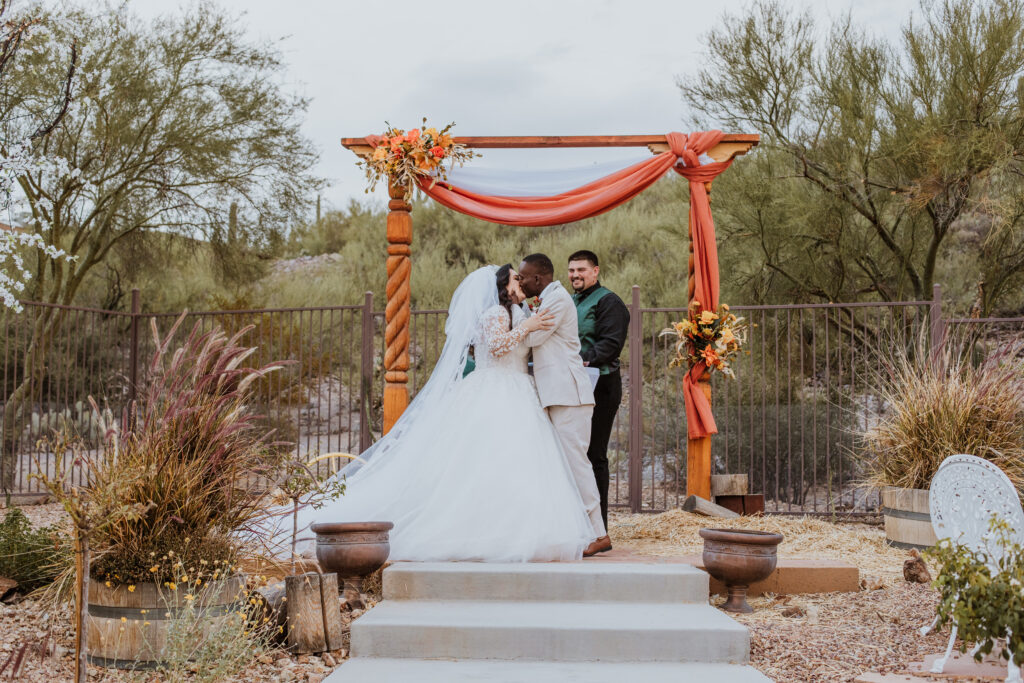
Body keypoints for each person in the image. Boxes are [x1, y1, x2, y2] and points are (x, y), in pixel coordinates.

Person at [281, 265, 598, 562]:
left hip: (519, 390)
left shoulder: (518, 312)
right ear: (503, 287)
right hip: (494, 390)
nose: (521, 282)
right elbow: (497, 346)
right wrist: (527, 326)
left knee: (519, 464)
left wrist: (527, 323)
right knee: (485, 460)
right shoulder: (494, 313)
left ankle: (521, 528)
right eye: (516, 278)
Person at [518, 253, 612, 556]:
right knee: (562, 466)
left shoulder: (557, 300)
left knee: (577, 465)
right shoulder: (549, 299)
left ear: (537, 278)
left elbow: (532, 340)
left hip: (569, 396)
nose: (520, 282)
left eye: (523, 277)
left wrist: (516, 320)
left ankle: (599, 534)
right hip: (556, 395)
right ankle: (576, 531)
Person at [568, 250, 629, 532]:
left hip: (601, 386)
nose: (575, 275)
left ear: (596, 271)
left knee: (594, 454)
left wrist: (579, 358)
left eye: (581, 270)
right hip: (573, 385)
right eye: (572, 270)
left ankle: (598, 527)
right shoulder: (570, 300)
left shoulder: (609, 302)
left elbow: (611, 345)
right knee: (572, 454)